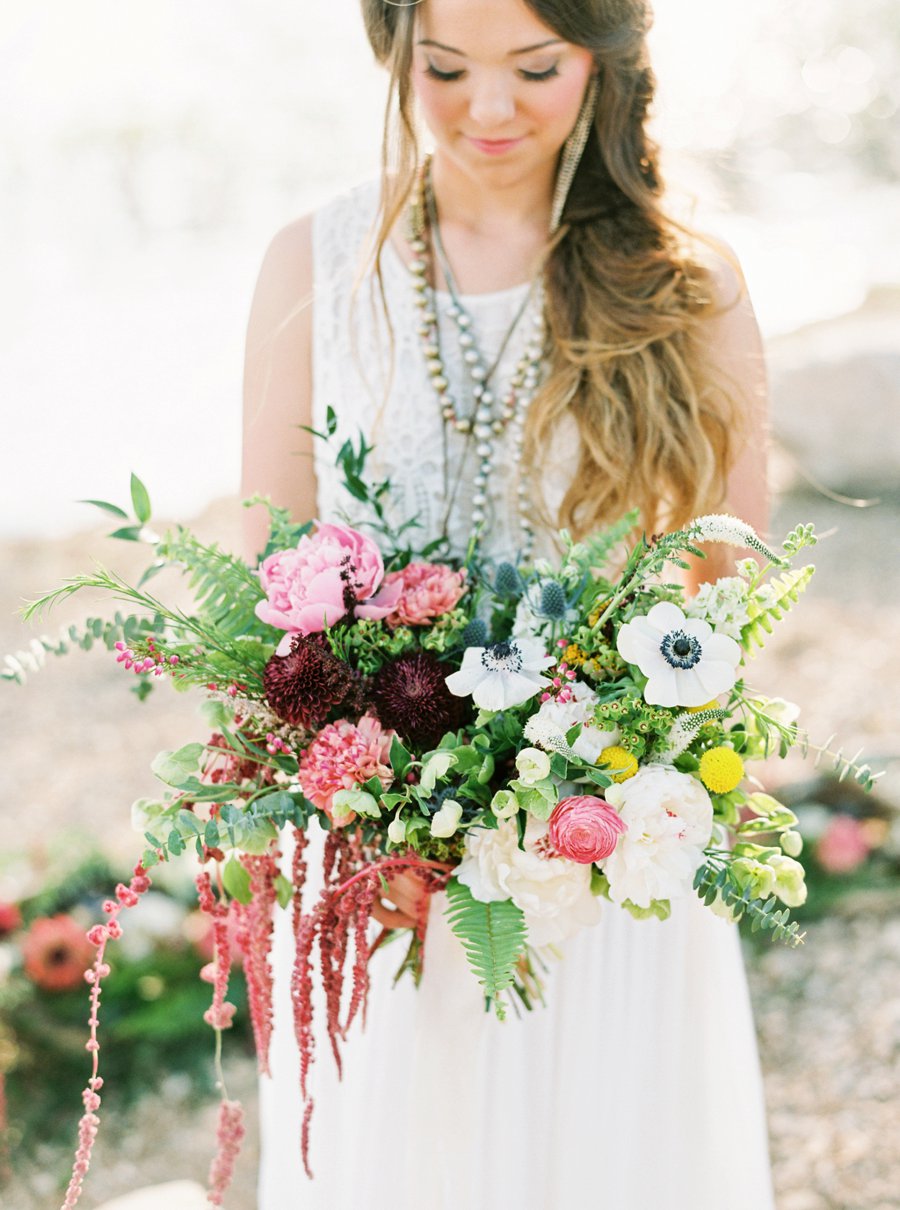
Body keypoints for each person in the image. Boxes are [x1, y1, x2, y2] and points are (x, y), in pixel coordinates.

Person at [241, 1, 775, 1207]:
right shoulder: (314, 264)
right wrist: (367, 813)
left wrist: (590, 796)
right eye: (445, 66)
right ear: (395, 51)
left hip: (607, 856)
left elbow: (724, 594)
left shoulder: (690, 285)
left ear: (604, 53)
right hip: (384, 864)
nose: (490, 109)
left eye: (536, 67)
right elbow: (266, 583)